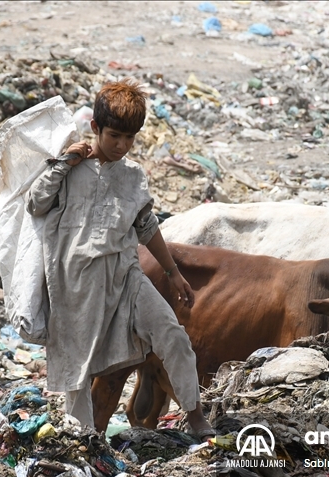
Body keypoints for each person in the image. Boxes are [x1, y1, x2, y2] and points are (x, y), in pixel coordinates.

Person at [25, 80, 213, 437]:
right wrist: (66, 160)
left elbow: (145, 225)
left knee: (171, 333)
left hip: (125, 276)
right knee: (77, 373)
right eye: (114, 136)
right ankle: (84, 443)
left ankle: (195, 414)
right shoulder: (70, 168)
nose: (122, 146)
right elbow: (36, 203)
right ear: (95, 128)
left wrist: (173, 273)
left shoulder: (133, 176)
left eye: (130, 139)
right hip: (74, 285)